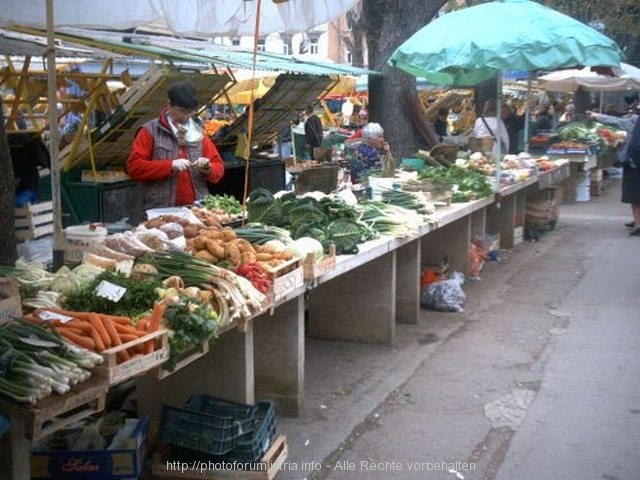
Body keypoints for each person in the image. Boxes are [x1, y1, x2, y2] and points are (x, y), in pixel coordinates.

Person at [127, 81, 225, 212]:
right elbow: (134, 168)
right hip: (161, 210)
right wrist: (170, 165)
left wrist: (208, 168)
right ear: (169, 105)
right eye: (182, 111)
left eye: (190, 112)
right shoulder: (149, 131)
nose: (186, 116)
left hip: (198, 209)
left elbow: (218, 168)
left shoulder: (198, 132)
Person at [588, 110, 640, 235]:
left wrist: (597, 116)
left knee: (634, 195)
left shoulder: (635, 121)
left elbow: (616, 122)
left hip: (634, 163)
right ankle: (637, 221)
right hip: (635, 162)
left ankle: (638, 224)